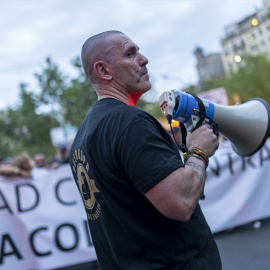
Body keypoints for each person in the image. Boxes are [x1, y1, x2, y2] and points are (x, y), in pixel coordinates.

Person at [70, 30, 221, 270]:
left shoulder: (83, 135)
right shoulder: (129, 122)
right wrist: (198, 151)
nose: (144, 59)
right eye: (131, 53)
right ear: (104, 71)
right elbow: (179, 201)